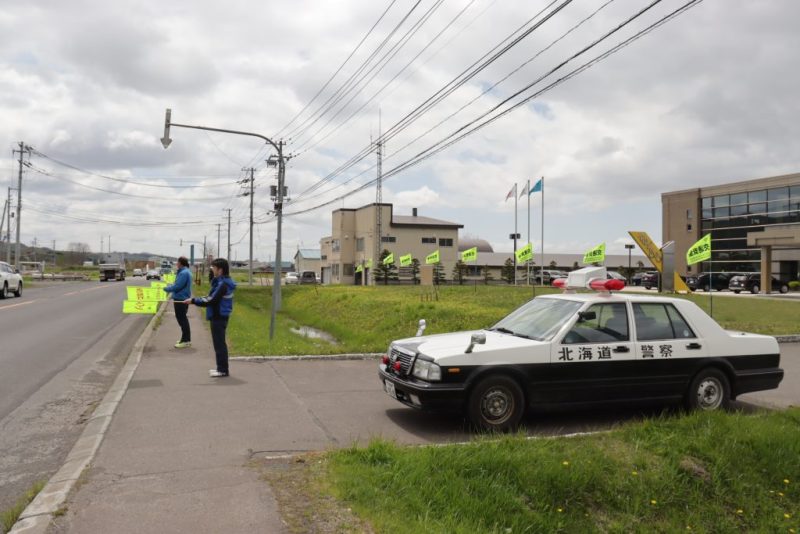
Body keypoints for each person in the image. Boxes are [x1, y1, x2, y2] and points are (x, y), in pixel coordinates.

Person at [184, 258, 236, 377]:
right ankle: (221, 368)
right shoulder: (221, 282)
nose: (212, 270)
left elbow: (211, 300)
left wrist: (193, 301)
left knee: (219, 344)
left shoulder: (223, 284)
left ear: (220, 270)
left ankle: (222, 370)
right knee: (219, 343)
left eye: (214, 268)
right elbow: (210, 296)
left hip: (219, 316)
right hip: (219, 316)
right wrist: (196, 300)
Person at [164, 256, 193, 348]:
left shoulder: (183, 273)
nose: (176, 264)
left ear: (180, 263)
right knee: (183, 319)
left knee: (182, 320)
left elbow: (178, 286)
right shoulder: (186, 272)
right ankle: (185, 339)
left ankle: (186, 340)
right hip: (182, 298)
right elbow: (178, 285)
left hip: (180, 299)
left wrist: (166, 288)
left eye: (177, 262)